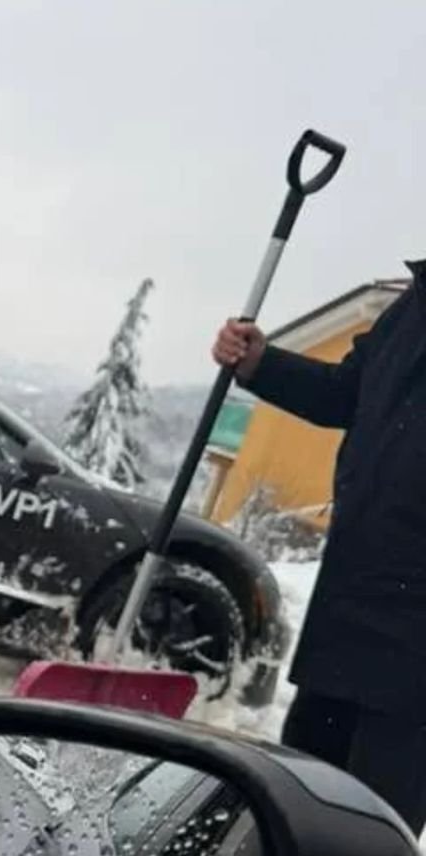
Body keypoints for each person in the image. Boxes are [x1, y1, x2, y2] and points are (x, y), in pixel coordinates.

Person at [213, 262, 426, 836]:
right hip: (350, 597)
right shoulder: (410, 310)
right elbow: (344, 394)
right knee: (301, 795)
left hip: (415, 641)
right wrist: (259, 363)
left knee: (372, 824)